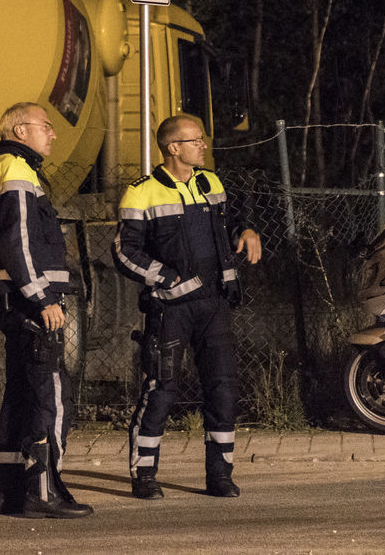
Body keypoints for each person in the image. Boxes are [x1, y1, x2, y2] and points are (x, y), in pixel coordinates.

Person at [113, 114, 262, 500]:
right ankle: (144, 474)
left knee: (223, 390)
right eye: (195, 140)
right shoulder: (141, 193)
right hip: (170, 310)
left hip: (215, 305)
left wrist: (245, 231)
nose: (203, 145)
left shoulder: (210, 182)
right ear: (173, 147)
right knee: (161, 390)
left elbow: (230, 224)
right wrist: (167, 278)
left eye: (202, 139)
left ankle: (220, 476)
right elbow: (124, 252)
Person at [0, 102, 93, 519]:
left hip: (8, 299)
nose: (53, 134)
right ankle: (44, 489)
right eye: (46, 126)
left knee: (21, 393)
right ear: (21, 130)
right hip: (28, 301)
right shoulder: (18, 171)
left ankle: (9, 492)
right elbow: (17, 241)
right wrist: (42, 297)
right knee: (51, 393)